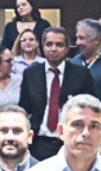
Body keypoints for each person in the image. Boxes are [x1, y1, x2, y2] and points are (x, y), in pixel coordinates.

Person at [18, 26, 81, 160]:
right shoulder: (31, 74)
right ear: (42, 47)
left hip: (69, 142)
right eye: (49, 44)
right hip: (38, 142)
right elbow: (23, 109)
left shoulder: (81, 74)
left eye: (59, 45)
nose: (53, 49)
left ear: (67, 48)